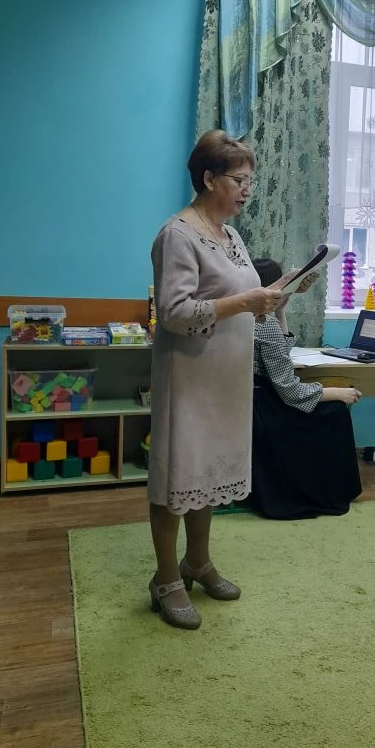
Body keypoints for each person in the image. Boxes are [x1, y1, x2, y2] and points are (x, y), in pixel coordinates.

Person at [147, 130, 286, 630]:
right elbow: (173, 312)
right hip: (189, 377)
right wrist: (246, 301)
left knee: (204, 477)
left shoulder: (230, 235)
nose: (247, 190)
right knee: (177, 477)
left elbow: (239, 298)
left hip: (226, 377)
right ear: (208, 178)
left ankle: (197, 562)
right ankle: (166, 578)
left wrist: (274, 296)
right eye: (238, 180)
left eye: (250, 181)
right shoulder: (178, 235)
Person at [250, 257, 363, 520]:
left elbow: (279, 351)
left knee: (329, 407)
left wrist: (280, 311)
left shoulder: (251, 319)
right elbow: (290, 392)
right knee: (335, 411)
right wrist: (337, 392)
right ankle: (332, 490)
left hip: (253, 400)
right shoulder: (265, 326)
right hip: (263, 407)